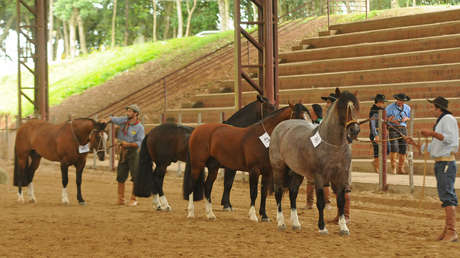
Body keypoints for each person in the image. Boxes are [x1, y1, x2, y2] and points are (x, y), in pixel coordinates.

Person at [406, 96, 458, 242]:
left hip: (445, 163)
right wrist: (415, 144)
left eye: (432, 107)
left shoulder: (447, 119)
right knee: (445, 195)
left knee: (447, 195)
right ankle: (448, 229)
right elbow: (435, 146)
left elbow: (450, 139)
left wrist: (432, 133)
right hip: (441, 163)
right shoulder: (443, 120)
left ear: (438, 108)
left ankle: (452, 231)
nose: (431, 109)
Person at [102, 104, 145, 206]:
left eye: (130, 111)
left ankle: (134, 199)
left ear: (136, 114)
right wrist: (106, 120)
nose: (128, 113)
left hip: (134, 153)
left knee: (135, 176)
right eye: (128, 111)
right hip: (123, 152)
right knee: (120, 175)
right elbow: (113, 119)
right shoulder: (124, 121)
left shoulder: (140, 128)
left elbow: (139, 143)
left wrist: (127, 144)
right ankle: (121, 199)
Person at [385, 93, 411, 174]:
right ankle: (393, 167)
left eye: (403, 101)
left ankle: (401, 167)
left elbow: (408, 117)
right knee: (394, 148)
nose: (401, 102)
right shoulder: (389, 107)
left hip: (403, 128)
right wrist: (390, 119)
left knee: (403, 149)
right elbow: (385, 119)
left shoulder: (407, 108)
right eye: (400, 100)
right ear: (397, 100)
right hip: (393, 128)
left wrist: (406, 118)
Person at [369, 94, 387, 173]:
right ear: (379, 102)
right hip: (375, 133)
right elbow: (372, 124)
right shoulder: (373, 111)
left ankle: (376, 163)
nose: (383, 104)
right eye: (382, 102)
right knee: (377, 150)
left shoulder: (382, 110)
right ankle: (377, 166)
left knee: (386, 149)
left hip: (382, 133)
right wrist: (375, 135)